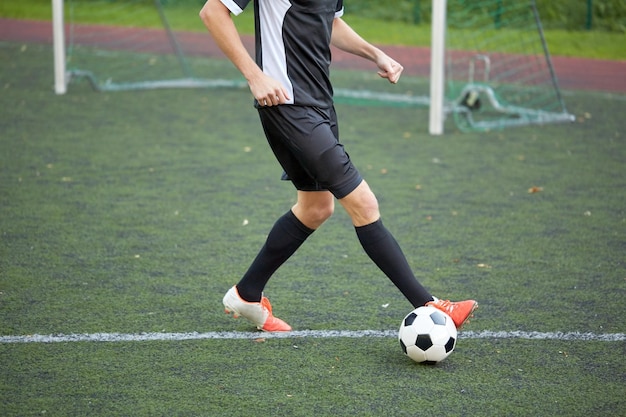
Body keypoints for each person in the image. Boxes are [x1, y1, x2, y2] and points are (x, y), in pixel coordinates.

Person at [199, 0, 477, 332]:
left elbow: (328, 21)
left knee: (315, 208)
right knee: (364, 203)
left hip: (319, 105)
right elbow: (212, 12)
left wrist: (376, 54)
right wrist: (255, 75)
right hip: (287, 102)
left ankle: (247, 293)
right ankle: (431, 306)